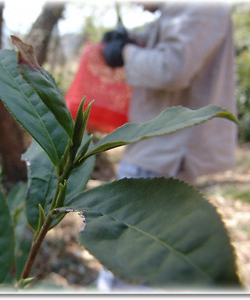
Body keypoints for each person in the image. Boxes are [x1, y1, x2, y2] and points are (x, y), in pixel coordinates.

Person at [98, 2, 237, 291]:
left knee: (136, 260)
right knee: (126, 252)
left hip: (162, 153)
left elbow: (171, 67)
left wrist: (124, 52)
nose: (135, 4)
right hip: (155, 148)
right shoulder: (179, 11)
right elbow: (168, 40)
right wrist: (131, 40)